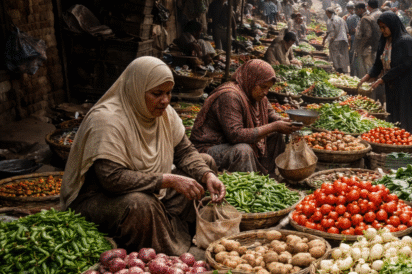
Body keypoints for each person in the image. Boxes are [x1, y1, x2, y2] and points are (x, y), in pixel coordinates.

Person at [60, 57, 226, 256]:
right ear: (136, 89)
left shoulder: (165, 115)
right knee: (141, 204)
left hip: (147, 190)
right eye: (157, 94)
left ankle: (177, 233)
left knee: (205, 163)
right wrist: (168, 180)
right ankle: (164, 254)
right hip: (101, 199)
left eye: (168, 93)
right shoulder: (106, 120)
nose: (165, 100)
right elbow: (112, 179)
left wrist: (207, 175)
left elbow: (185, 152)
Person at [191, 59, 301, 176]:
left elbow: (270, 115)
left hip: (231, 143)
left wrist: (286, 122)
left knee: (276, 135)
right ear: (251, 80)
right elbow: (236, 135)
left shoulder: (258, 96)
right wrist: (275, 126)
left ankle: (268, 177)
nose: (265, 92)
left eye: (268, 88)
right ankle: (250, 184)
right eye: (263, 87)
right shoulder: (230, 95)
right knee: (243, 151)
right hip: (211, 147)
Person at [358, 12, 412, 147]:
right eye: (380, 28)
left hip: (411, 83)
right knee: (397, 115)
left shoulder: (405, 41)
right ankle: (399, 146)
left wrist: (382, 79)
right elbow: (378, 63)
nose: (383, 31)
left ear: (392, 25)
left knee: (409, 115)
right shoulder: (384, 41)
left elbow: (405, 65)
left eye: (384, 27)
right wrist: (368, 76)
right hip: (395, 81)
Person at [352, 2, 378, 78]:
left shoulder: (365, 18)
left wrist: (361, 47)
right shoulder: (365, 17)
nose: (355, 12)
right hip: (364, 48)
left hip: (365, 50)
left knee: (364, 70)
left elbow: (368, 34)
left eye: (356, 10)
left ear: (361, 9)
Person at [323, 6, 350, 73]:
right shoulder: (341, 19)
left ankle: (337, 69)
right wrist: (325, 37)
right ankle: (343, 69)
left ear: (329, 13)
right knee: (343, 55)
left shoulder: (334, 19)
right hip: (343, 39)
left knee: (335, 55)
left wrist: (333, 38)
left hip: (336, 40)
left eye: (327, 13)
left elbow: (336, 30)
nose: (326, 14)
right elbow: (347, 30)